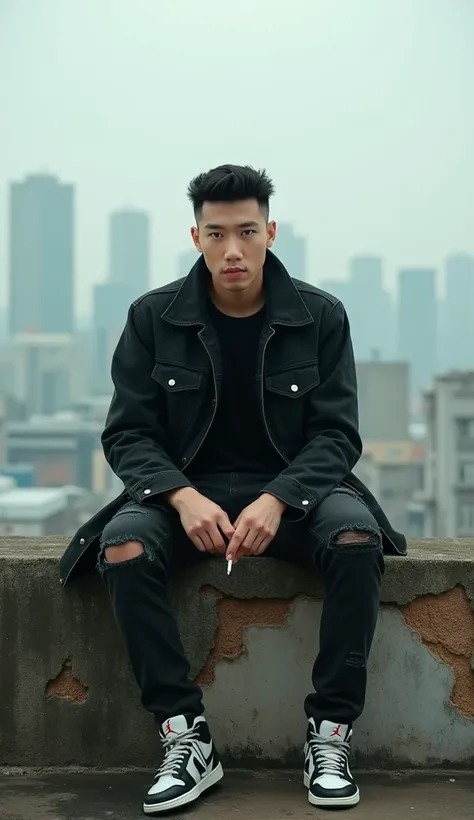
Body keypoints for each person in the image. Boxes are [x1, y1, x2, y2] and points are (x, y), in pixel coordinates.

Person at [60, 164, 406, 815]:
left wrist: (277, 500)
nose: (233, 249)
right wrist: (181, 497)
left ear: (270, 231)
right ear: (197, 237)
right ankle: (185, 737)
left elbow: (336, 436)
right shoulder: (152, 317)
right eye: (216, 234)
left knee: (357, 540)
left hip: (298, 491)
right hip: (185, 496)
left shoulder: (321, 316)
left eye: (247, 231)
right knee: (124, 548)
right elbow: (128, 434)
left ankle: (330, 735)